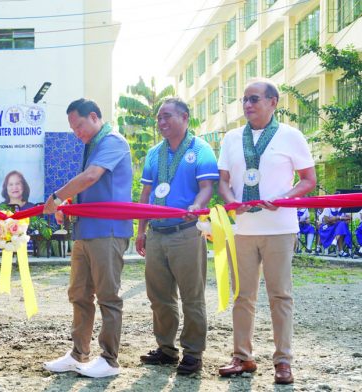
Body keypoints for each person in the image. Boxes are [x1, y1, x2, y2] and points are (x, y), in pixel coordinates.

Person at [217, 80, 316, 384]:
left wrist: (286, 197)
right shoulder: (232, 138)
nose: (247, 105)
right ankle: (242, 357)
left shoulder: (291, 136)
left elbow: (309, 180)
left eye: (254, 99)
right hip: (243, 230)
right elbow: (223, 181)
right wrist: (232, 202)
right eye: (244, 99)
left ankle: (283, 362)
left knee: (280, 296)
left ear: (273, 102)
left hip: (280, 229)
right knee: (242, 296)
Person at [42, 98, 133, 378]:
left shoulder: (113, 141)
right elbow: (87, 182)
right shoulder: (92, 145)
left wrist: (57, 197)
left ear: (94, 116)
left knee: (108, 296)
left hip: (107, 230)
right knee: (79, 294)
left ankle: (109, 360)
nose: (76, 133)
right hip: (85, 230)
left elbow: (92, 177)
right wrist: (67, 205)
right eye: (72, 128)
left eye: (78, 125)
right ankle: (78, 353)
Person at [135, 98, 218, 375]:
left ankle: (193, 354)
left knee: (192, 296)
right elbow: (146, 195)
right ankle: (166, 349)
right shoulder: (153, 153)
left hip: (186, 233)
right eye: (159, 118)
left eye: (167, 117)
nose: (161, 123)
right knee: (159, 296)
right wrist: (141, 231)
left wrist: (196, 206)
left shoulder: (201, 149)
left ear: (185, 117)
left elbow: (207, 186)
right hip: (157, 233)